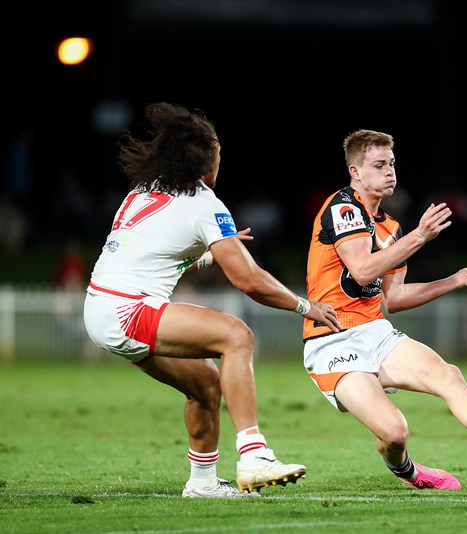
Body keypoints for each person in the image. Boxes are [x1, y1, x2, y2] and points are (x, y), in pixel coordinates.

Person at [83, 102, 341, 498]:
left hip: (100, 307)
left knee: (205, 385)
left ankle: (202, 483)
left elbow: (158, 257)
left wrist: (212, 253)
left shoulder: (145, 191)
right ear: (206, 158)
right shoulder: (203, 203)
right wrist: (306, 306)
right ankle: (254, 455)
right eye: (218, 150)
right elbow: (248, 280)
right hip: (128, 309)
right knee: (236, 335)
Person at [301, 129, 467, 490]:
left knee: (448, 375)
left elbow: (395, 299)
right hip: (332, 340)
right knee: (394, 433)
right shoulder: (342, 208)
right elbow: (362, 271)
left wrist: (453, 281)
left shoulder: (390, 226)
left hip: (375, 331)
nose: (390, 171)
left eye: (392, 163)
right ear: (355, 172)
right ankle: (409, 472)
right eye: (379, 165)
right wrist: (418, 237)